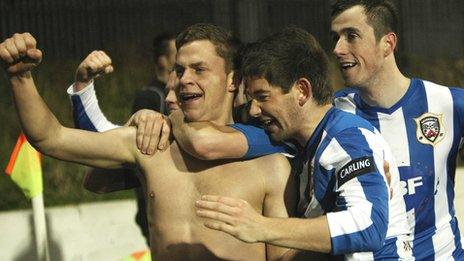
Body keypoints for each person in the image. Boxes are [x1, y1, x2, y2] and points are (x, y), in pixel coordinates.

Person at [0, 24, 296, 260]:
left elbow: (284, 257)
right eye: (179, 70)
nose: (184, 79)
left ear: (233, 80)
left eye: (199, 69)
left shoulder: (270, 164)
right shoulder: (151, 144)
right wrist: (20, 77)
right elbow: (51, 137)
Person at [163, 27, 409, 259]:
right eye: (251, 99)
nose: (256, 110)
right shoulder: (290, 141)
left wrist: (261, 227)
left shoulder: (348, 139)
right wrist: (158, 119)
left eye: (262, 97)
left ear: (302, 91)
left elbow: (368, 226)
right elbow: (206, 141)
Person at [330, 0, 464, 259]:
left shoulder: (447, 103)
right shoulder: (333, 115)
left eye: (351, 36)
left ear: (388, 44)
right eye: (335, 37)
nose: (337, 48)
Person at [69, 32, 177, 244]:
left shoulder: (241, 133)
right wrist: (83, 84)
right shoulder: (150, 97)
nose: (172, 98)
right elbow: (54, 138)